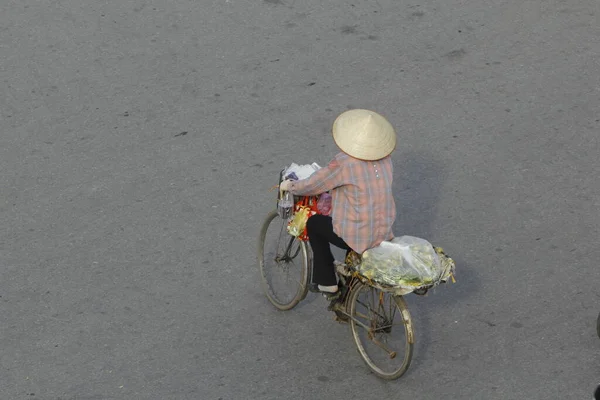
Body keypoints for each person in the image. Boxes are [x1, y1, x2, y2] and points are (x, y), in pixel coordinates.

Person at [280, 109, 397, 299]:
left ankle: (327, 282)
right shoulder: (386, 160)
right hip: (384, 231)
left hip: (359, 234)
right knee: (360, 219)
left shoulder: (345, 163)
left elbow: (315, 184)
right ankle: (349, 290)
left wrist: (293, 186)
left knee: (315, 224)